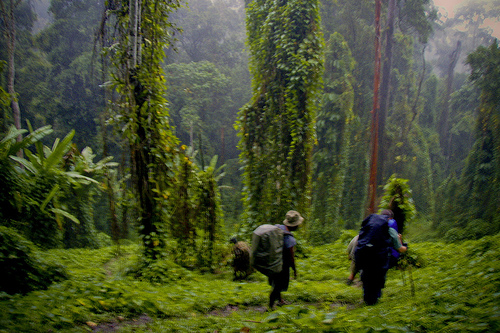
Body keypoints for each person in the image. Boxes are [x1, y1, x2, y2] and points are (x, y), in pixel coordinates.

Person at [354, 209, 407, 305]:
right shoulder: (390, 229)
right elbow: (399, 248)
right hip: (379, 259)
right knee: (378, 278)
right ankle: (374, 300)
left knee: (367, 277)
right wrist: (404, 245)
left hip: (364, 256)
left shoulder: (368, 227)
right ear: (390, 219)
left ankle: (367, 300)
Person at [268, 210, 303, 310]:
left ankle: (280, 301)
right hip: (282, 265)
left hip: (273, 261)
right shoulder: (289, 238)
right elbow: (291, 257)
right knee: (278, 285)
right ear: (294, 225)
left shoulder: (278, 227)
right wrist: (294, 270)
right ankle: (270, 306)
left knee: (276, 282)